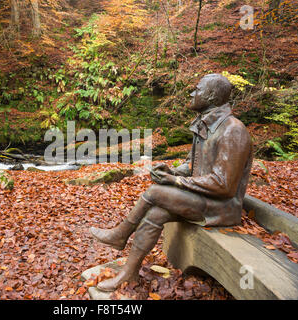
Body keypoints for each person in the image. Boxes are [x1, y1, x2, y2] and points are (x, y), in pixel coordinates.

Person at [89, 73, 254, 292]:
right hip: (203, 198)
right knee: (156, 214)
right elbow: (193, 165)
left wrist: (174, 181)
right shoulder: (207, 124)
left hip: (222, 207)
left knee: (156, 192)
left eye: (197, 89)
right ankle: (129, 274)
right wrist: (173, 170)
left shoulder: (232, 130)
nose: (192, 93)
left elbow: (223, 185)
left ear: (212, 96)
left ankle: (120, 235)